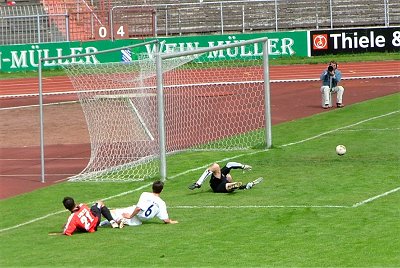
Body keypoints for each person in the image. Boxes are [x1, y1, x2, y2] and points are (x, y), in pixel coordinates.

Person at [100, 180, 178, 228]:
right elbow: (165, 220)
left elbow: (138, 208)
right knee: (115, 218)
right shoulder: (161, 203)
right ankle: (116, 221)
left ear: (152, 188)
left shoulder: (145, 194)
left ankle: (115, 220)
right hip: (138, 222)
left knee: (108, 212)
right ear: (162, 190)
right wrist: (171, 221)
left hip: (133, 213)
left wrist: (130, 216)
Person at [188, 162, 263, 193]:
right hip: (217, 185)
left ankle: (242, 186)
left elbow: (230, 164)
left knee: (229, 176)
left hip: (223, 180)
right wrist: (198, 183)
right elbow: (209, 170)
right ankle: (234, 186)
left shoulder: (221, 172)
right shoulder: (215, 169)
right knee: (228, 184)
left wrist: (243, 166)